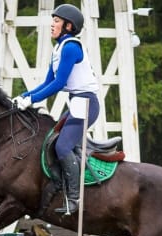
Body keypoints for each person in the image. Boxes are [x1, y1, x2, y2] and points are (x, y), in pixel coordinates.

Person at [12, 4, 100, 213]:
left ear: (69, 26)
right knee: (51, 140)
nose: (52, 24)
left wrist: (31, 100)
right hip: (76, 104)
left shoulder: (71, 47)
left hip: (86, 104)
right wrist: (24, 96)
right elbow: (47, 82)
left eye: (57, 21)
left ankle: (74, 198)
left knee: (61, 147)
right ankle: (60, 183)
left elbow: (59, 84)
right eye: (53, 20)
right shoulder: (59, 48)